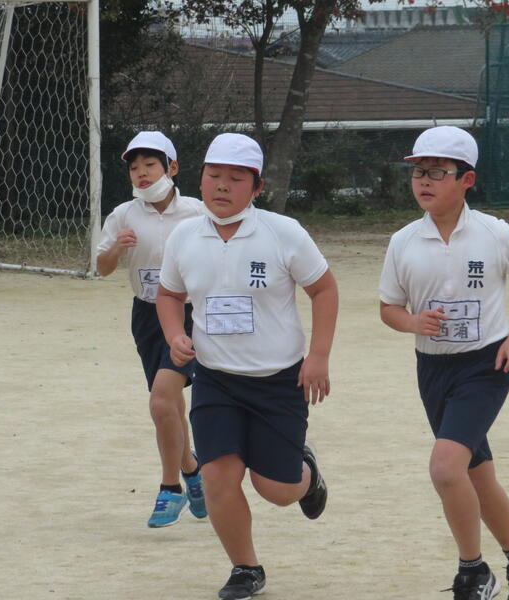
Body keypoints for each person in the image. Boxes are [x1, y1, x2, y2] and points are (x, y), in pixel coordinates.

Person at [156, 133, 338, 600]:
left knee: (277, 489)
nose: (222, 185)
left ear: (256, 188)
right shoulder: (183, 236)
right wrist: (175, 335)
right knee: (217, 474)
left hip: (278, 381)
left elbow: (324, 289)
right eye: (214, 175)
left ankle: (307, 474)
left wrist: (318, 356)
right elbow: (169, 294)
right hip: (216, 379)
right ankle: (245, 568)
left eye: (236, 179)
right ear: (200, 178)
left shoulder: (283, 232)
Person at [379, 126, 509, 600]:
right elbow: (388, 308)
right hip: (432, 369)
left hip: (485, 366)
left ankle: (473, 571)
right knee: (477, 474)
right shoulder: (402, 241)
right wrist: (412, 322)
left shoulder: (495, 233)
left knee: (445, 467)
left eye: (438, 171)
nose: (424, 180)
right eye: (418, 171)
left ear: (466, 179)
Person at [96, 131, 206, 527]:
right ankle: (194, 473)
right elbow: (101, 267)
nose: (141, 173)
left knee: (161, 400)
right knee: (169, 405)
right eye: (134, 168)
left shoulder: (197, 212)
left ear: (171, 168)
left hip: (188, 315)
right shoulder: (124, 215)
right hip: (145, 316)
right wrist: (116, 248)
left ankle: (170, 488)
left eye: (150, 165)